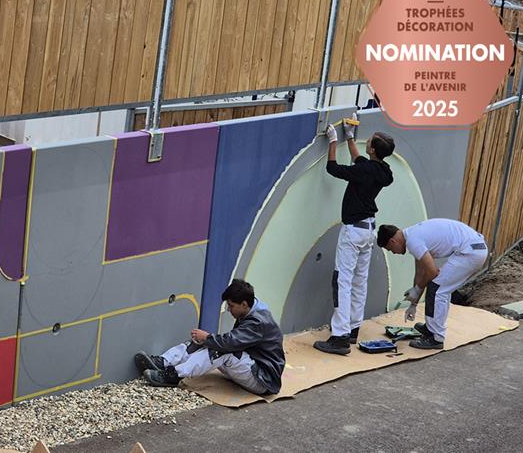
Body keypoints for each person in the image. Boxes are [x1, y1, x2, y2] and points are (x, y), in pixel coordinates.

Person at [313, 116, 395, 355]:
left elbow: (332, 168)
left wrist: (333, 141)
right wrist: (350, 139)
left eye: (367, 142)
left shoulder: (364, 170)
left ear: (372, 148)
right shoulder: (383, 171)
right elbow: (361, 162)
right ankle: (353, 329)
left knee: (342, 282)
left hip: (353, 232)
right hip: (368, 231)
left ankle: (339, 336)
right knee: (359, 282)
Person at [134, 279, 285, 395]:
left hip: (262, 380)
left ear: (244, 304)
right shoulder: (250, 310)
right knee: (208, 342)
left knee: (220, 349)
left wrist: (207, 338)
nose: (229, 310)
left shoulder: (258, 321)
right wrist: (206, 339)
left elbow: (230, 343)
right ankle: (163, 362)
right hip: (250, 366)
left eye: (231, 306)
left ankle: (173, 376)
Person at [376, 219, 488, 349]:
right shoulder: (413, 235)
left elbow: (432, 272)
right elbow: (420, 273)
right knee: (440, 288)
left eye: (390, 250)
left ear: (392, 241)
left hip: (471, 253)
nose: (394, 253)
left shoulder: (413, 241)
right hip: (474, 248)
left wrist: (417, 289)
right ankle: (432, 328)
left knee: (437, 289)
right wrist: (413, 304)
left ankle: (436, 337)